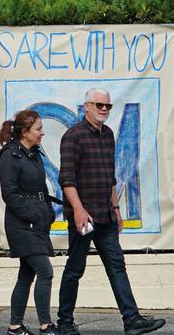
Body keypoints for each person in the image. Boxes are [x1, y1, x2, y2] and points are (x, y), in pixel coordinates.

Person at [56, 88, 165, 335]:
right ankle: (64, 323)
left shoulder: (108, 135)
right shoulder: (73, 137)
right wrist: (78, 210)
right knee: (75, 269)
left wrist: (116, 208)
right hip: (84, 217)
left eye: (108, 106)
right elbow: (67, 180)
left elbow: (110, 177)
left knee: (117, 266)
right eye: (99, 105)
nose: (104, 109)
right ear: (86, 107)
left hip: (105, 215)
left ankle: (132, 320)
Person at [0, 110, 59, 335]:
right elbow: (10, 193)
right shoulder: (9, 155)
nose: (42, 133)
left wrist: (47, 213)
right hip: (22, 224)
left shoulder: (33, 154)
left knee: (26, 274)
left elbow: (41, 189)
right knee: (45, 271)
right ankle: (46, 325)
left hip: (38, 221)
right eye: (38, 129)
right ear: (25, 132)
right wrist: (32, 216)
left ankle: (15, 327)